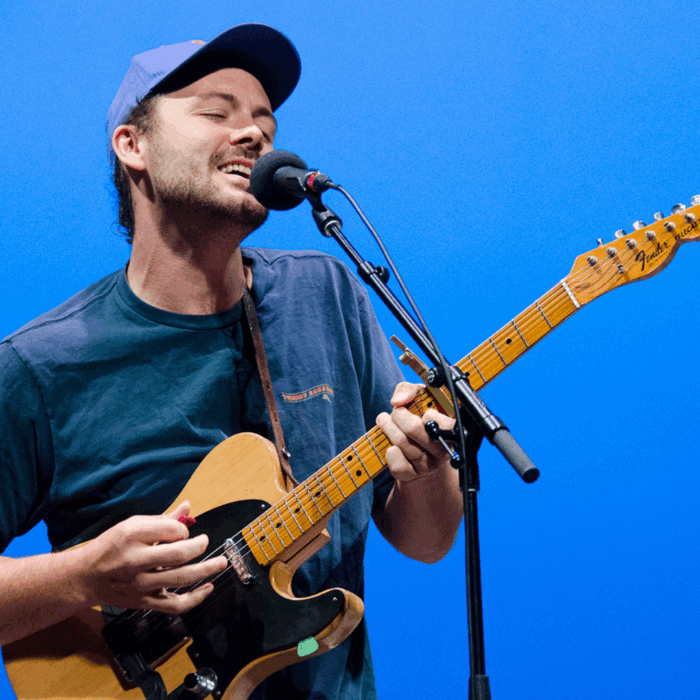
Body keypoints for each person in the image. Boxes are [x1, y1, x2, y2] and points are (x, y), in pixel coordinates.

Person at [0, 23, 462, 700]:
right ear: (133, 146)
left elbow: (427, 541)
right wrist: (82, 576)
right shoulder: (41, 365)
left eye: (265, 123)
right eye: (217, 114)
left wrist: (427, 472)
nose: (254, 135)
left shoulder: (325, 293)